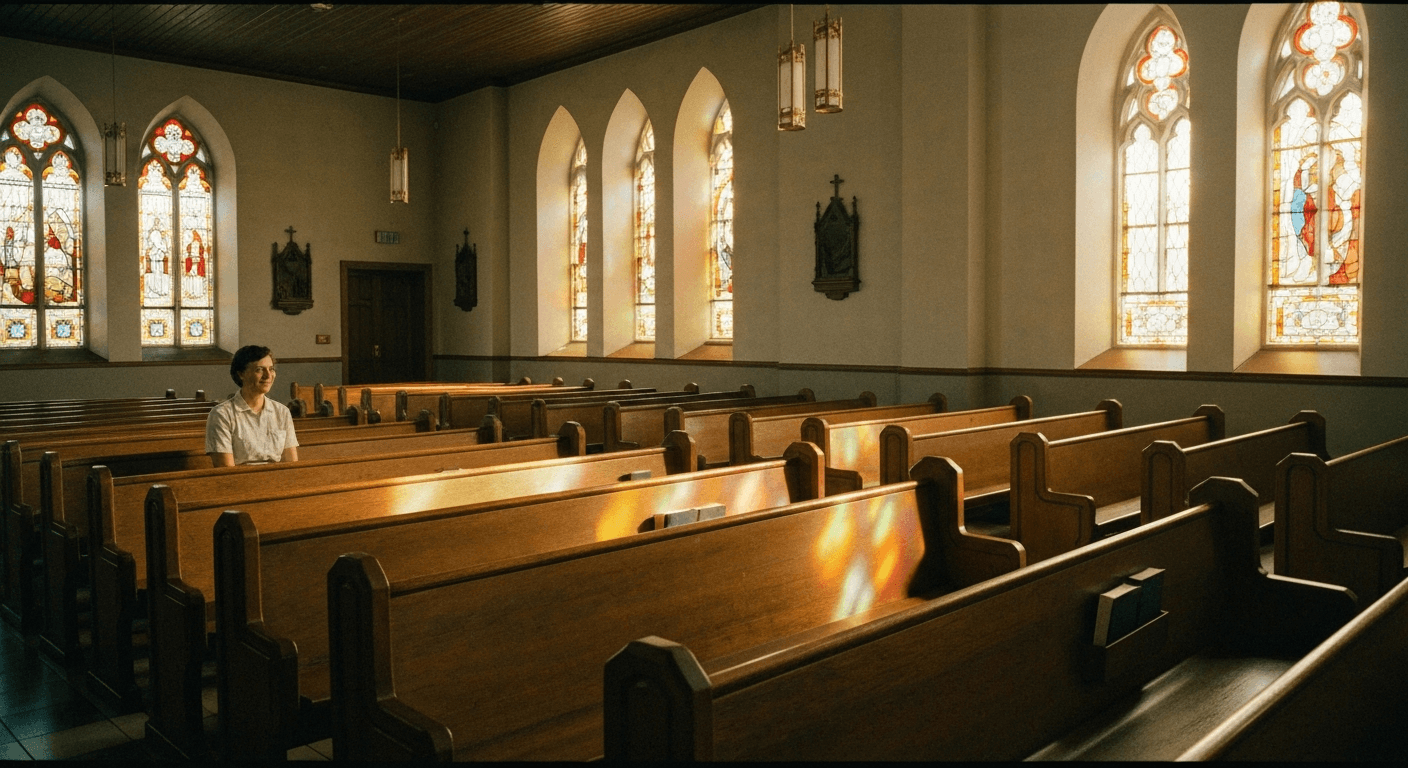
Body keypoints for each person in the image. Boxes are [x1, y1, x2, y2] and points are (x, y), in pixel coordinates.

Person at [206, 345, 299, 467]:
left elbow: (291, 465)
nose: (268, 375)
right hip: (240, 482)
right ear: (241, 374)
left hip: (278, 481)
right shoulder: (221, 414)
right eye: (259, 369)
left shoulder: (282, 412)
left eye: (271, 369)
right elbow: (226, 471)